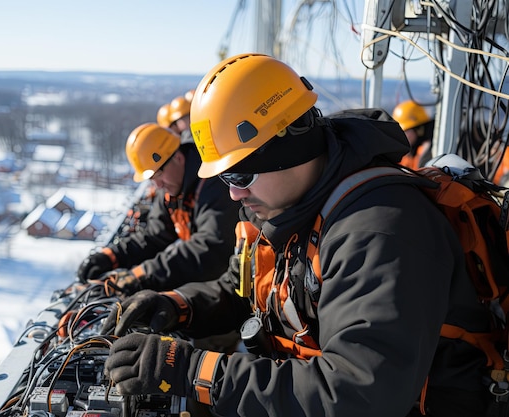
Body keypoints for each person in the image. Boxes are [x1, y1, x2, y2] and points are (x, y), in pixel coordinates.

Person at [102, 54, 489, 417]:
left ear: (290, 144)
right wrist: (177, 304)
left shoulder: (382, 231)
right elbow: (245, 292)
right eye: (224, 178)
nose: (234, 193)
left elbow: (358, 393)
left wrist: (197, 371)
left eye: (239, 175)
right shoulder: (286, 210)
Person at [77, 122, 241, 298]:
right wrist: (112, 256)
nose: (158, 185)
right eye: (152, 179)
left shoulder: (215, 184)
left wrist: (142, 275)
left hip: (231, 288)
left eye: (159, 175)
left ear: (178, 157)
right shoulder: (173, 189)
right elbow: (155, 235)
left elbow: (210, 248)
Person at [391, 99, 435, 169]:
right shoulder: (405, 153)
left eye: (405, 131)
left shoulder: (429, 154)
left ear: (419, 129)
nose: (401, 135)